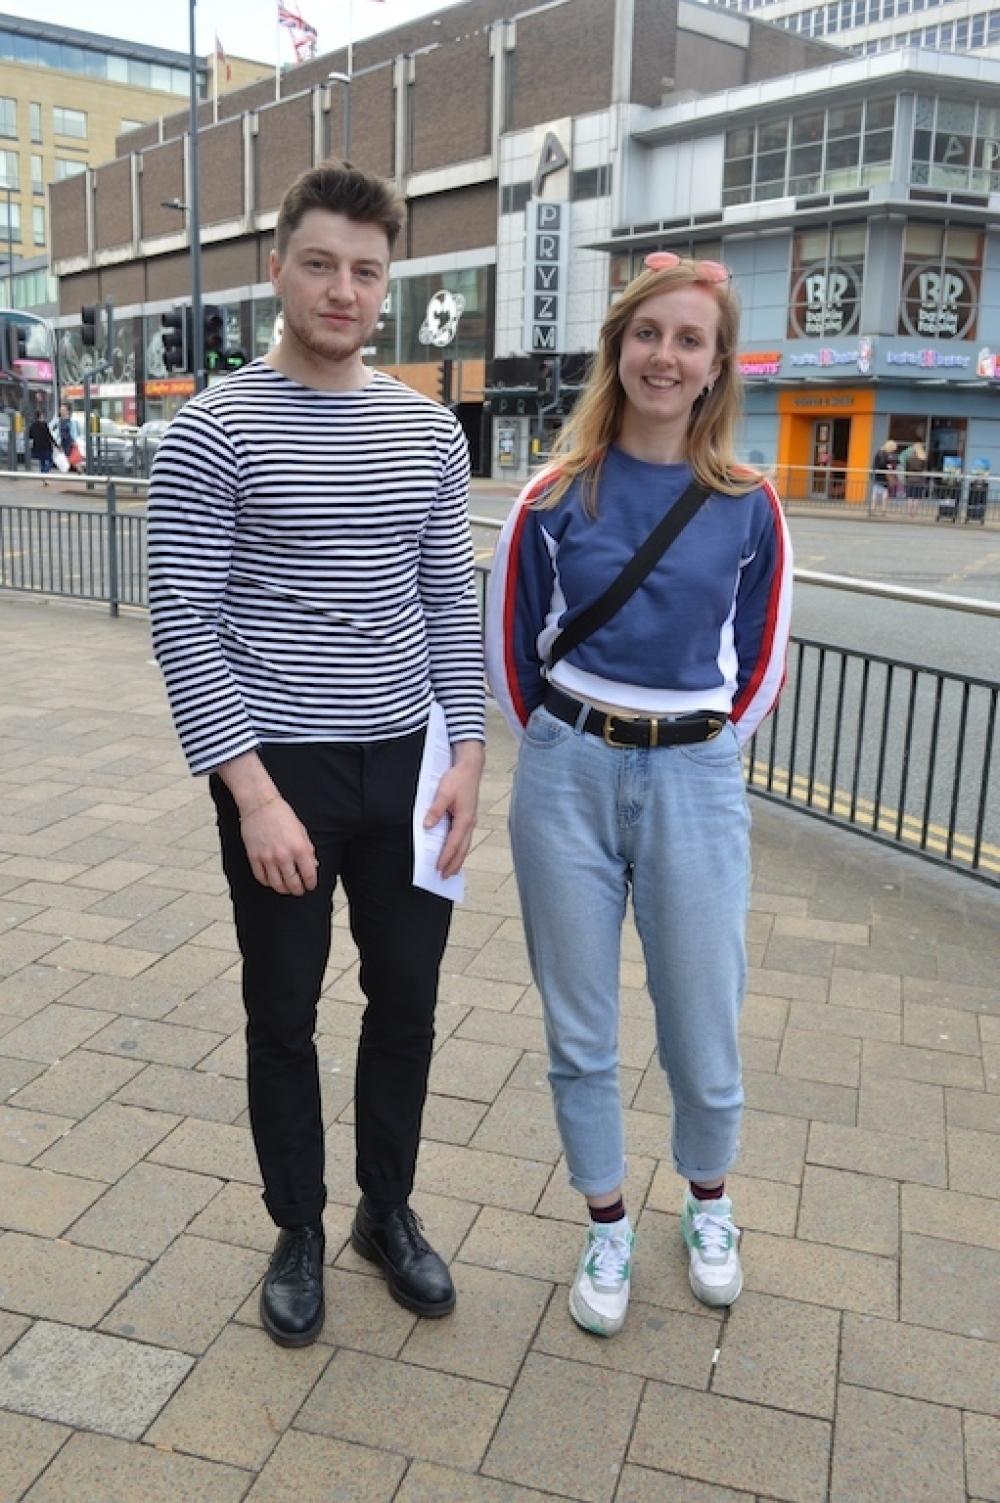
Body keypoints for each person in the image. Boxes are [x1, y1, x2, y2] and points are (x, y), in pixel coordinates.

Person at [148, 160, 486, 1349]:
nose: (343, 290)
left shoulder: (426, 429)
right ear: (277, 268)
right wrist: (249, 794)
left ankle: (384, 1212)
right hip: (279, 765)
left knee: (407, 1003)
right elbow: (184, 616)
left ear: (387, 283)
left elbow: (446, 600)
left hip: (409, 760)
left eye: (366, 271)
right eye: (321, 264)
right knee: (282, 1008)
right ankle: (297, 1223)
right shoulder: (212, 429)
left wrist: (468, 754)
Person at [485, 251, 792, 1337]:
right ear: (619, 348)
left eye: (689, 339)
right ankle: (606, 1222)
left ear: (715, 365)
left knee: (702, 1020)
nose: (666, 356)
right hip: (565, 772)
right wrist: (566, 743)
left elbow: (761, 660)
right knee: (580, 1028)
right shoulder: (552, 495)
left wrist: (695, 749)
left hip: (694, 778)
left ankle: (708, 1205)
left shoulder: (749, 504)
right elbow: (511, 656)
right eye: (647, 334)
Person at [870, 437, 898, 517]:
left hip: (876, 475)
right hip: (882, 476)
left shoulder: (879, 452)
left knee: (875, 493)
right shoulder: (883, 454)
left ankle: (872, 510)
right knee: (884, 494)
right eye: (893, 449)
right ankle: (883, 511)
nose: (893, 451)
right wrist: (889, 467)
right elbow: (883, 464)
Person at [900, 440, 928, 519]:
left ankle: (909, 514)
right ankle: (914, 514)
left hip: (910, 479)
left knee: (910, 497)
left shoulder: (909, 459)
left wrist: (906, 477)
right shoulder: (923, 459)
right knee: (916, 498)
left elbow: (906, 469)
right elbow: (924, 469)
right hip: (919, 479)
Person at [28, 410, 55, 477]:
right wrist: (56, 444)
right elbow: (49, 436)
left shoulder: (32, 425)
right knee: (51, 461)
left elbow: (30, 436)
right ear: (41, 416)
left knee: (42, 462)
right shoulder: (44, 425)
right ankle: (44, 473)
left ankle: (43, 476)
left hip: (37, 446)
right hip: (46, 446)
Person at [57, 404, 83, 471]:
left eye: (63, 410)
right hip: (63, 442)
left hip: (70, 442)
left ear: (67, 411)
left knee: (74, 459)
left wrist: (74, 441)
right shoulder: (59, 421)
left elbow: (73, 432)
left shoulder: (71, 421)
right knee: (64, 459)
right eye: (61, 410)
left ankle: (80, 472)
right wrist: (58, 442)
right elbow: (59, 433)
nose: (61, 411)